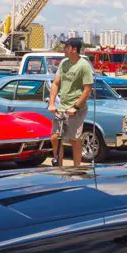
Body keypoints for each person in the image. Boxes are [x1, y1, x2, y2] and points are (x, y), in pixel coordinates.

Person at [48, 38, 94, 167]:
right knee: (55, 137)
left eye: (66, 47)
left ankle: (76, 168)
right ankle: (59, 166)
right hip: (62, 107)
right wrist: (52, 103)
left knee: (74, 140)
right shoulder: (63, 63)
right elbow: (56, 83)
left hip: (76, 109)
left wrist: (75, 107)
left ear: (74, 49)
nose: (64, 49)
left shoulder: (83, 65)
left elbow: (87, 89)